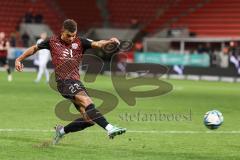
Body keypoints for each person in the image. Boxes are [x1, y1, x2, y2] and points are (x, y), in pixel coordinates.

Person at [15, 19, 126, 145]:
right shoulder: (52, 41)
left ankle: (61, 131)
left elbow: (98, 44)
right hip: (64, 82)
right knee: (87, 101)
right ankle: (110, 128)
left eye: (74, 35)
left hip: (76, 82)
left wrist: (110, 42)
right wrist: (19, 59)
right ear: (62, 31)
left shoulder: (80, 42)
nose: (72, 38)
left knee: (89, 120)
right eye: (69, 35)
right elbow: (34, 48)